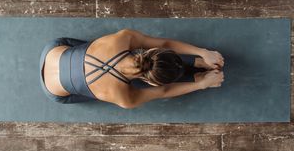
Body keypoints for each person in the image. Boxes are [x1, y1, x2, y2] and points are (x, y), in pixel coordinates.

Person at [39, 29, 224, 108]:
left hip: (54, 50)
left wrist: (202, 53)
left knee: (86, 58)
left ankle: (195, 64)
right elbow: (164, 91)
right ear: (148, 81)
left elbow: (164, 89)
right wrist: (200, 83)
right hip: (54, 91)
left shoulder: (124, 38)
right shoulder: (124, 98)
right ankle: (193, 66)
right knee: (92, 91)